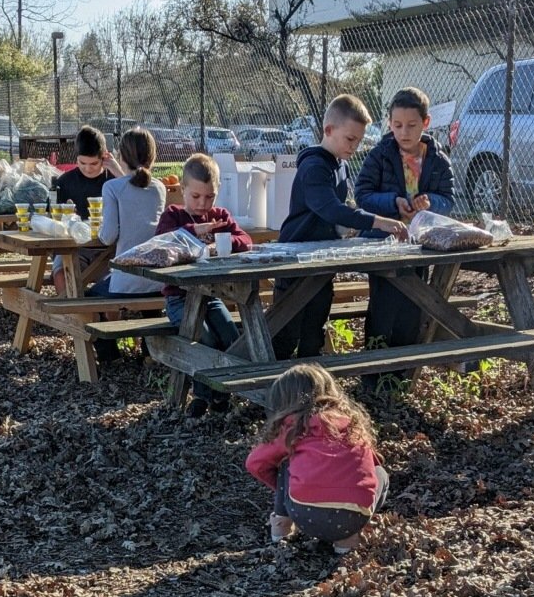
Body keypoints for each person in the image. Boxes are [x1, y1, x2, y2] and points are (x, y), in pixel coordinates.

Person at [272, 95, 408, 361]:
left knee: (315, 330)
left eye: (358, 140)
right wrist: (380, 221)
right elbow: (331, 208)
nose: (354, 146)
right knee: (285, 334)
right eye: (350, 139)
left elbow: (343, 207)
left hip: (320, 259)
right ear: (329, 130)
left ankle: (311, 391)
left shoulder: (340, 163)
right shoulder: (314, 166)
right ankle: (272, 392)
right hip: (295, 258)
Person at [354, 87, 454, 391]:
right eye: (397, 125)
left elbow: (448, 200)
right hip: (384, 246)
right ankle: (372, 379)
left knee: (412, 310)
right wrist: (393, 202)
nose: (403, 132)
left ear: (426, 123)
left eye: (411, 125)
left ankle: (400, 380)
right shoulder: (380, 154)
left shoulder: (437, 159)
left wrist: (430, 203)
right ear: (389, 123)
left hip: (421, 245)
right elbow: (362, 194)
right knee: (383, 310)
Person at [245, 363, 389, 553]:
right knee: (380, 473)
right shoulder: (352, 424)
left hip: (304, 514)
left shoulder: (293, 426)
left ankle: (281, 526)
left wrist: (285, 487)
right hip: (352, 518)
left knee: (286, 462)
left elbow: (254, 463)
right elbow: (369, 465)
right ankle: (347, 540)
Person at [155, 153, 252, 417]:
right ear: (183, 190)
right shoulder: (173, 216)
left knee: (232, 337)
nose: (202, 203)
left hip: (213, 296)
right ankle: (201, 396)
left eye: (209, 197)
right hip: (179, 298)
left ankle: (223, 394)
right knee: (204, 339)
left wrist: (225, 241)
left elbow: (246, 239)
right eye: (196, 196)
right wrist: (194, 231)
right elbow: (162, 241)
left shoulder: (219, 216)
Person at [85, 127, 167, 363]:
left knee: (90, 296)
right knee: (146, 290)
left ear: (121, 155)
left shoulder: (112, 187)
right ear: (153, 157)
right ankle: (150, 353)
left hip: (126, 281)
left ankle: (110, 355)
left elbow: (108, 237)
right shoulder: (159, 188)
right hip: (156, 278)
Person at [52, 126, 124, 296]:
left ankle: (110, 319)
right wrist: (66, 216)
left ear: (104, 157)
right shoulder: (65, 181)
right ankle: (70, 316)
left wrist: (117, 170)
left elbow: (134, 197)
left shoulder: (114, 180)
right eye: (82, 163)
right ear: (76, 159)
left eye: (94, 163)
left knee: (114, 282)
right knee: (61, 274)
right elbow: (54, 216)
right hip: (74, 248)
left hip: (107, 249)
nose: (88, 168)